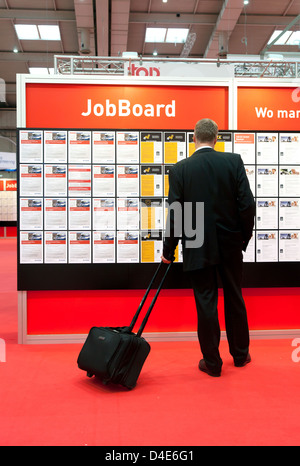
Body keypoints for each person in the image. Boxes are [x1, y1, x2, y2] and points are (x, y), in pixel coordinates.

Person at [162, 119, 255, 377]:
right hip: (229, 242)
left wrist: (168, 250)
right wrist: (242, 239)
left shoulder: (181, 169)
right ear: (216, 138)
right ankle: (240, 355)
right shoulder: (233, 161)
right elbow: (247, 205)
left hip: (196, 242)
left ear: (194, 138)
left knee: (206, 301)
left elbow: (176, 213)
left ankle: (212, 363)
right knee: (234, 296)